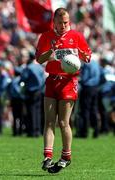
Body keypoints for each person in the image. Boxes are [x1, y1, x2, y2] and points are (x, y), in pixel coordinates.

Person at [35, 8, 91, 173]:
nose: (63, 25)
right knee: (49, 121)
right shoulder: (46, 37)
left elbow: (88, 56)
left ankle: (66, 156)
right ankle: (47, 157)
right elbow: (39, 59)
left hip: (69, 81)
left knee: (63, 122)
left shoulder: (76, 36)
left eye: (66, 22)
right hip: (52, 80)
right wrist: (49, 54)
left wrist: (80, 54)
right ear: (54, 22)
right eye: (60, 22)